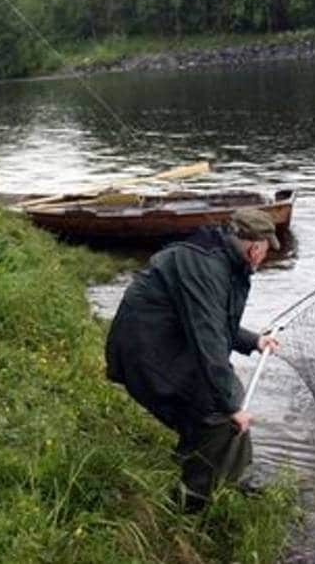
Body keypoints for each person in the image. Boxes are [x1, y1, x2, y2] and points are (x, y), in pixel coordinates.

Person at [105, 208, 282, 512]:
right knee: (219, 411)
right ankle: (190, 504)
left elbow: (214, 321)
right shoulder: (207, 268)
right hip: (144, 351)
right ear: (255, 248)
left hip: (165, 342)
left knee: (227, 395)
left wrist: (253, 341)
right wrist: (232, 408)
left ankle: (227, 475)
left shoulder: (221, 259)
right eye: (266, 251)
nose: (264, 258)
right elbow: (209, 341)